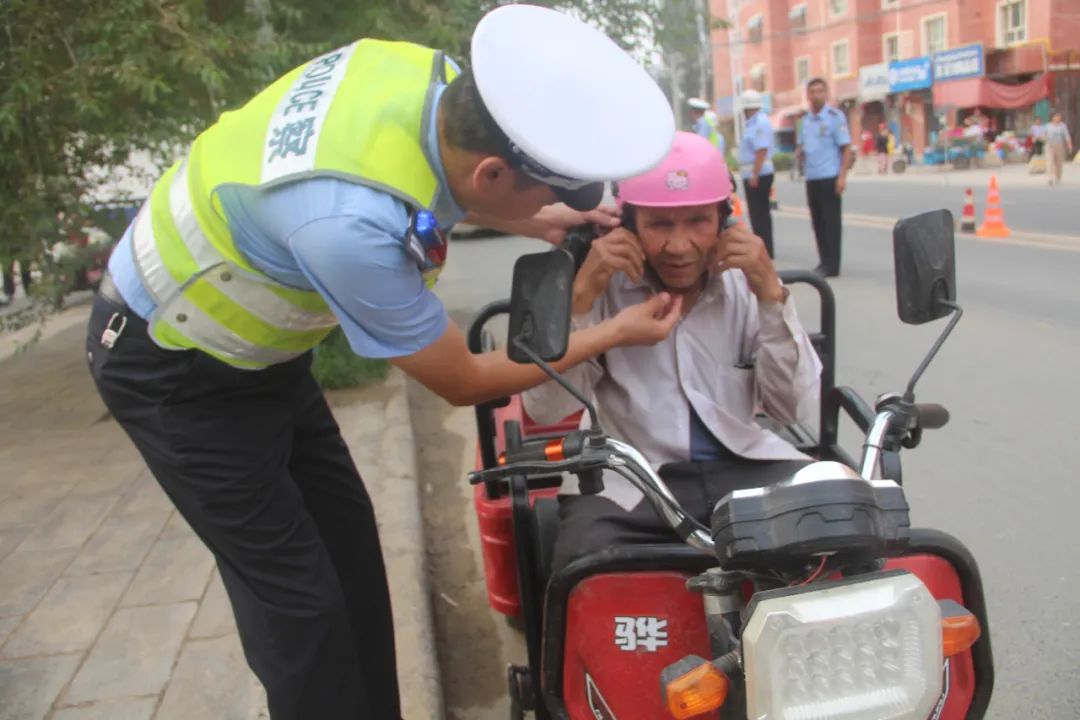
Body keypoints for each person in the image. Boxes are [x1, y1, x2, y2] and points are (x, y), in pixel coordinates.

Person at [85, 6, 682, 719]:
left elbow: (444, 177)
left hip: (262, 357)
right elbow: (463, 379)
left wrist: (530, 217)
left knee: (353, 562)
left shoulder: (425, 76)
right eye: (550, 192)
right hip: (173, 372)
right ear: (496, 172)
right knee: (300, 607)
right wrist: (611, 331)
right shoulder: (350, 229)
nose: (556, 205)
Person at [523, 132, 822, 570]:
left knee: (848, 531)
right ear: (628, 226)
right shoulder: (597, 285)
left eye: (698, 222)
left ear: (724, 221)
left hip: (745, 468)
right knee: (583, 571)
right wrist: (583, 297)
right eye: (661, 225)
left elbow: (793, 409)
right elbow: (546, 410)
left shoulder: (746, 285)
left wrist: (771, 294)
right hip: (629, 483)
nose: (679, 247)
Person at [796, 78, 852, 278]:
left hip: (830, 176)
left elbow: (845, 149)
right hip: (812, 177)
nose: (816, 95)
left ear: (826, 93)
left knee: (831, 222)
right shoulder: (805, 121)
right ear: (808, 95)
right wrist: (800, 153)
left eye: (820, 91)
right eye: (813, 91)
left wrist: (842, 177)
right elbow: (802, 147)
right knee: (817, 221)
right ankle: (823, 261)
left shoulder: (835, 117)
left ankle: (832, 264)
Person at [737, 89, 776, 258]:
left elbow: (761, 150)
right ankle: (763, 246)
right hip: (754, 174)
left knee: (760, 214)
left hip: (758, 174)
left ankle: (765, 249)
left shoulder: (759, 122)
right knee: (756, 214)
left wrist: (754, 174)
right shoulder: (753, 123)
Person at [1045, 112, 1073, 186]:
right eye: (1056, 117)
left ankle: (1058, 177)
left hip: (1059, 145)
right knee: (1049, 161)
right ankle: (1050, 178)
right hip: (1050, 145)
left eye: (1059, 117)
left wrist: (1069, 145)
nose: (1058, 118)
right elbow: (1044, 135)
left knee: (1059, 162)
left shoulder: (1062, 126)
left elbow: (1067, 136)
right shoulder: (1048, 126)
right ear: (1053, 118)